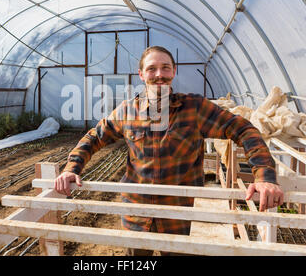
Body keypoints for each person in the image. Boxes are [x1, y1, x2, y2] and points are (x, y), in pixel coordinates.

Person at [54, 45, 284, 255]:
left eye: (165, 68)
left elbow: (244, 129)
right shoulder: (127, 111)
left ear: (174, 71)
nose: (159, 75)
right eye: (151, 69)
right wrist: (71, 168)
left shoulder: (194, 108)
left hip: (177, 215)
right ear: (141, 74)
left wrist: (264, 175)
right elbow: (95, 137)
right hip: (136, 213)